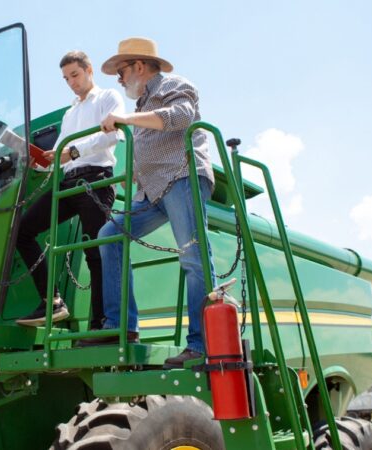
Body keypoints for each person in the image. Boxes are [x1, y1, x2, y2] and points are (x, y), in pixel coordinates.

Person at [76, 37, 216, 369]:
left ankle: (201, 345)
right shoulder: (141, 106)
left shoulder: (174, 85)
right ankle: (120, 324)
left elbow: (179, 118)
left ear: (139, 66)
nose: (119, 80)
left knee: (193, 257)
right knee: (110, 233)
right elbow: (151, 145)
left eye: (121, 72)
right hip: (153, 190)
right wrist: (136, 174)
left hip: (183, 177)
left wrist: (123, 121)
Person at [14, 51, 125, 329]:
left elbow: (113, 134)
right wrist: (37, 162)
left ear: (89, 70)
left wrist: (73, 151)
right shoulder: (70, 113)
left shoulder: (108, 98)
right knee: (22, 230)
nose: (71, 83)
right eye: (66, 79)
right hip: (66, 183)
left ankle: (100, 325)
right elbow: (59, 157)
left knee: (94, 253)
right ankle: (52, 301)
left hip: (95, 182)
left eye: (75, 75)